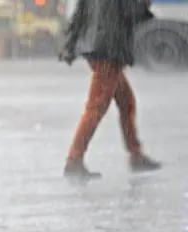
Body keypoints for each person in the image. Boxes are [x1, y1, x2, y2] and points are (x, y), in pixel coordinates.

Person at [60, 0, 161, 179]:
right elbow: (133, 11)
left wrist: (71, 42)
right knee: (96, 106)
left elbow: (80, 12)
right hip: (108, 50)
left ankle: (135, 154)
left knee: (126, 102)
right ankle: (74, 159)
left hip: (97, 46)